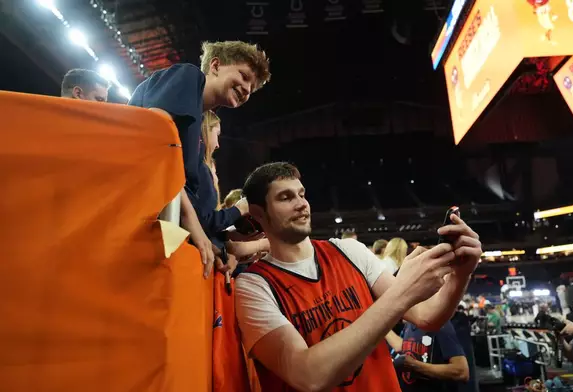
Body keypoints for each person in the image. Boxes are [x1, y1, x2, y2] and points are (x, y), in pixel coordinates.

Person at [235, 162, 482, 391]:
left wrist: (461, 274)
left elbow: (427, 317)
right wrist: (401, 292)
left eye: (301, 194)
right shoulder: (253, 286)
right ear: (258, 213)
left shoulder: (348, 251)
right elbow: (307, 375)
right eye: (285, 197)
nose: (301, 204)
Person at [128, 41, 271, 277]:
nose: (247, 89)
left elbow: (186, 195)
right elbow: (153, 140)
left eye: (252, 88)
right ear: (215, 65)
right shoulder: (189, 76)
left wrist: (215, 245)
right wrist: (196, 229)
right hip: (137, 216)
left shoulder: (196, 130)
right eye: (244, 76)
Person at [387, 321, 469, 392]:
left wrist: (416, 366)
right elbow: (402, 347)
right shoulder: (409, 325)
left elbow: (461, 372)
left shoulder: (440, 323)